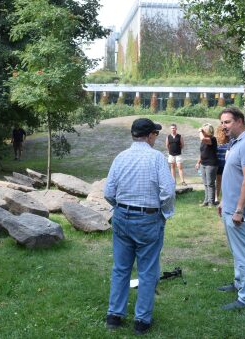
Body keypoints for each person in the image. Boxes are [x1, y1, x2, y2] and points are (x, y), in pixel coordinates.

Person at [104, 118, 176, 335]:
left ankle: (114, 316)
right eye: (155, 134)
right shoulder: (156, 158)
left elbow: (108, 192)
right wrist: (164, 213)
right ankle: (141, 321)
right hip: (148, 218)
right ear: (151, 135)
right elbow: (168, 191)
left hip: (122, 217)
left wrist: (121, 207)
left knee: (121, 268)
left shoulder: (121, 157)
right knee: (147, 272)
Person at [216, 107, 245, 310]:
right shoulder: (237, 143)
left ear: (240, 121)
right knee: (237, 252)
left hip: (239, 212)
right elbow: (233, 177)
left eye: (227, 122)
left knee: (244, 254)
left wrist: (239, 209)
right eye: (222, 122)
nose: (223, 126)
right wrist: (224, 201)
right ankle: (238, 283)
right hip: (230, 207)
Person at [195, 123, 218, 207]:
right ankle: (206, 201)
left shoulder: (212, 139)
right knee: (205, 183)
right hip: (203, 164)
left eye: (204, 130)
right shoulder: (204, 140)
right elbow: (202, 153)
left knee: (210, 184)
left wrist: (200, 131)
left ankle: (211, 202)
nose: (202, 131)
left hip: (211, 164)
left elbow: (202, 139)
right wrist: (198, 162)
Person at [215, 124, 230, 203]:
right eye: (223, 130)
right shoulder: (217, 141)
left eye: (226, 130)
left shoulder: (230, 140)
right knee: (218, 181)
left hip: (227, 164)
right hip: (218, 164)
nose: (225, 131)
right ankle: (216, 197)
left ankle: (225, 198)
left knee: (226, 182)